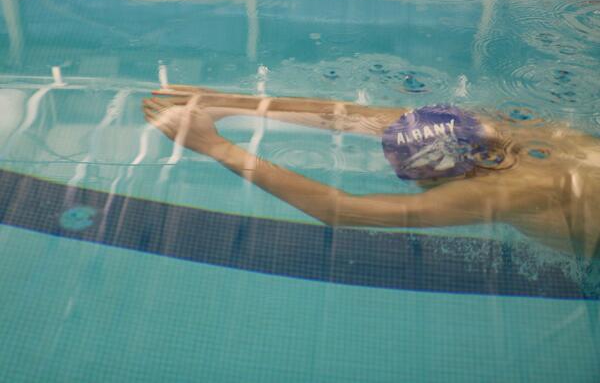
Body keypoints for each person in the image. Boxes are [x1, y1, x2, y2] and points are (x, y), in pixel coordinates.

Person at [142, 85, 600, 259]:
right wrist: (231, 103)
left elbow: (343, 211)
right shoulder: (496, 128)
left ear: (446, 177)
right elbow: (342, 115)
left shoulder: (490, 193)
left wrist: (212, 145)